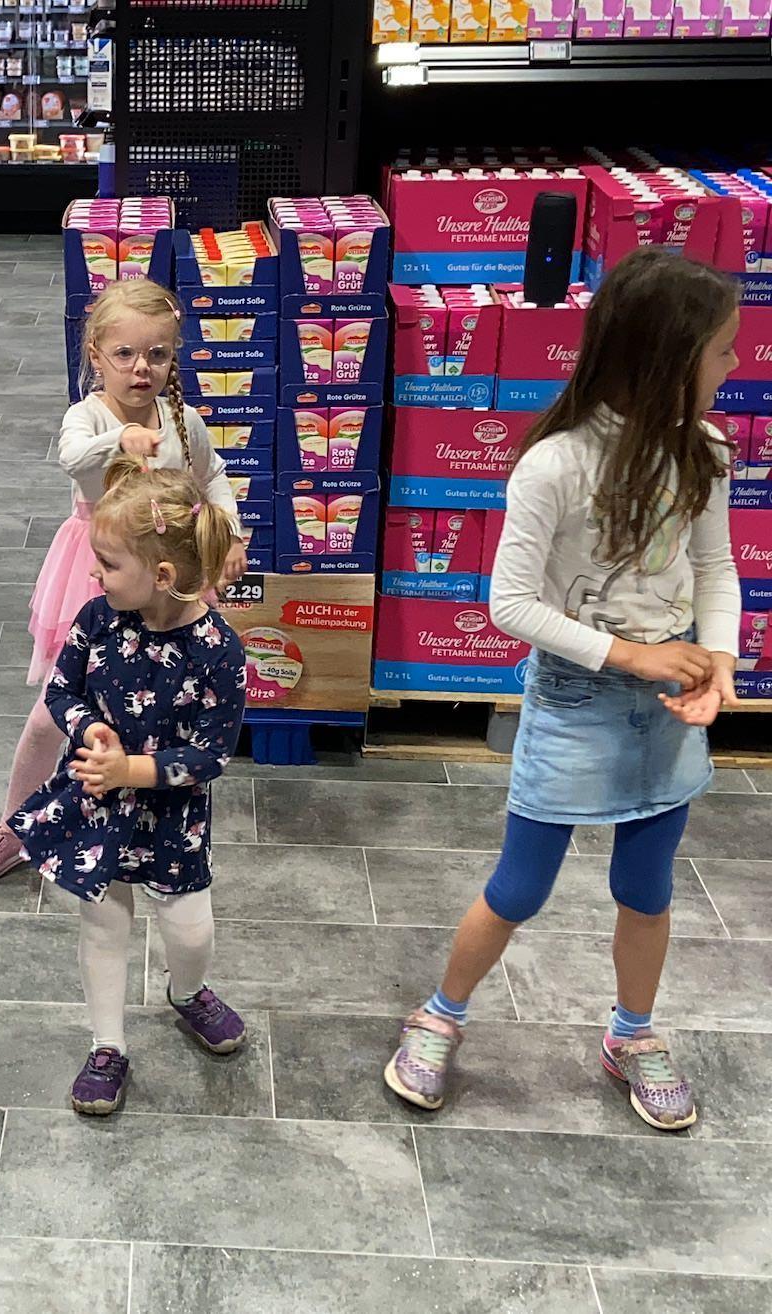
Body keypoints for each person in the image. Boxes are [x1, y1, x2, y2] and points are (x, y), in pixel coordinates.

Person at [385, 247, 742, 1133]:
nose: (735, 365)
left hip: (666, 715)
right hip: (578, 704)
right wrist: (631, 655)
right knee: (519, 886)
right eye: (723, 350)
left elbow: (718, 568)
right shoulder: (554, 466)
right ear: (667, 358)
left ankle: (633, 1033)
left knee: (647, 888)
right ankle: (440, 1014)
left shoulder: (706, 451)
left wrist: (720, 665)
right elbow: (508, 604)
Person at [0, 276, 245, 887]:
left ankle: (134, 825)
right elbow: (71, 456)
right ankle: (13, 828)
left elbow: (213, 476)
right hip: (96, 581)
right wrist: (121, 436)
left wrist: (230, 534)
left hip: (165, 587)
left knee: (150, 713)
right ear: (96, 356)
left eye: (158, 354)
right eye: (125, 354)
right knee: (47, 717)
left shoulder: (183, 421)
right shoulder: (86, 415)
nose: (142, 368)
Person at [11, 461, 248, 1116]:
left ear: (162, 576)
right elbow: (62, 691)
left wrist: (133, 770)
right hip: (99, 807)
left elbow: (211, 753)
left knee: (190, 929)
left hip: (175, 819)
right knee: (104, 923)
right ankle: (107, 1044)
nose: (95, 575)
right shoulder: (97, 619)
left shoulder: (218, 651)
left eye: (109, 564)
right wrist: (89, 729)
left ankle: (186, 991)